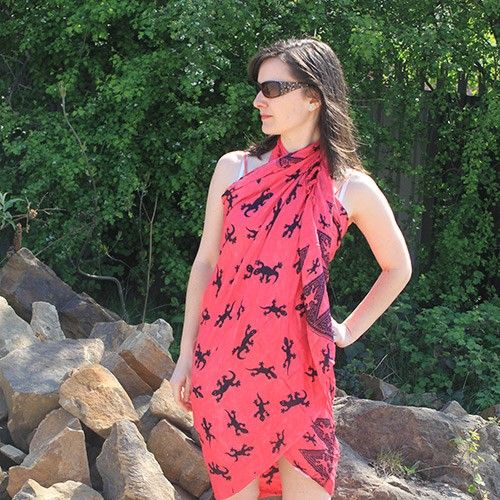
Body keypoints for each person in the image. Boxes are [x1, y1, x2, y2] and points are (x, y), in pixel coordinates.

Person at [170, 38, 412, 500]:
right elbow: (205, 264)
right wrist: (185, 357)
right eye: (259, 88)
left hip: (301, 374)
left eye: (272, 89)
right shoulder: (235, 169)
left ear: (313, 97)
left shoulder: (350, 188)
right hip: (225, 367)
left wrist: (347, 331)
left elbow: (397, 266)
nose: (258, 100)